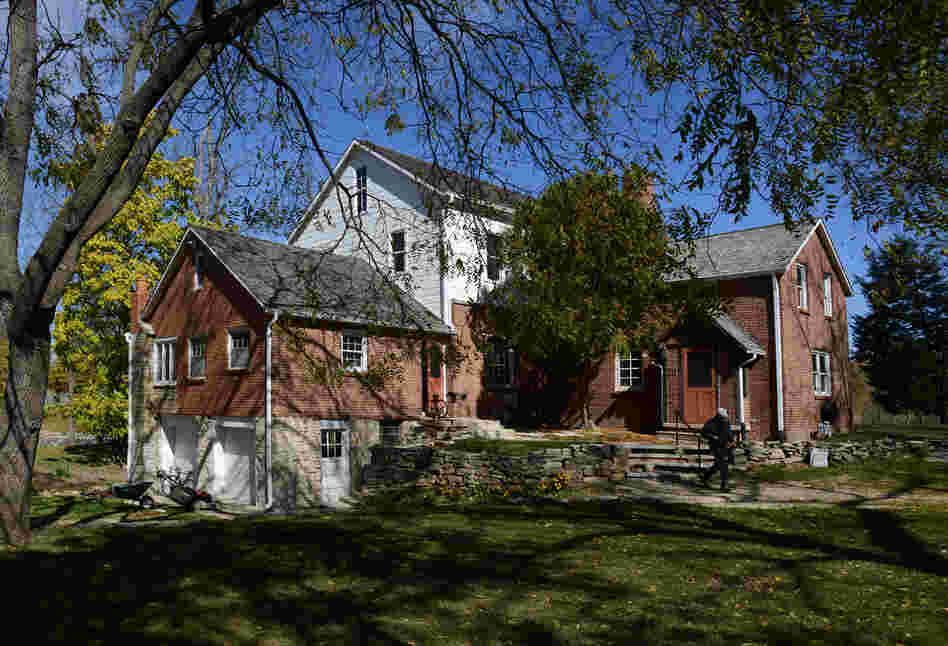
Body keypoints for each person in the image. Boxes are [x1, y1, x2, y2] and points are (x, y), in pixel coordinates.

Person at [699, 408, 735, 491]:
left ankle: (705, 476)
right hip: (716, 446)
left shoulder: (726, 422)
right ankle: (724, 485)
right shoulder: (711, 422)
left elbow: (729, 432)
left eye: (725, 417)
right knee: (723, 464)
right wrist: (713, 437)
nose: (725, 419)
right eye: (723, 417)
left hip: (726, 446)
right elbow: (703, 433)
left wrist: (732, 440)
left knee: (718, 464)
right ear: (718, 416)